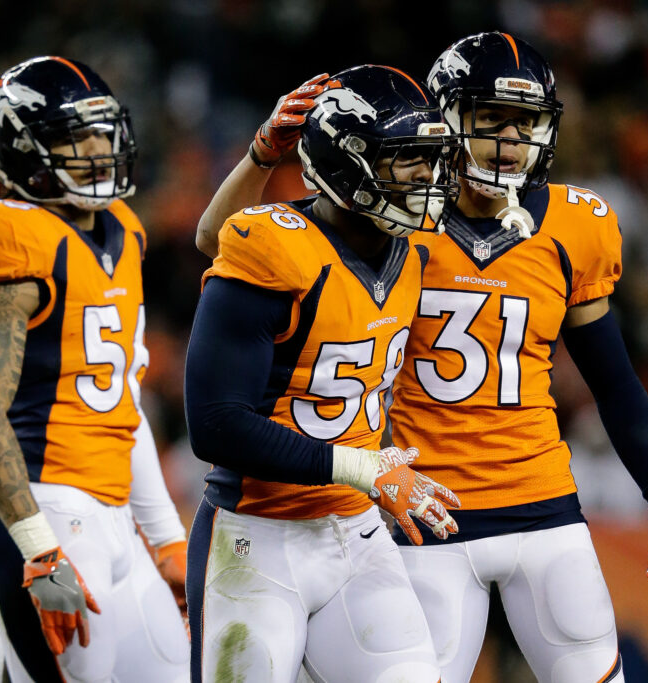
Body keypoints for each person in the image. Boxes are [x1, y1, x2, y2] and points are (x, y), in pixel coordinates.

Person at [194, 33, 648, 683]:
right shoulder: (396, 222)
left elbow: (617, 382)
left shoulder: (577, 226)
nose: (511, 141)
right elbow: (230, 241)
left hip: (542, 502)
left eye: (528, 124)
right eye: (491, 120)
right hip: (424, 508)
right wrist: (264, 154)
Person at [184, 64, 462, 683]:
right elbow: (216, 425)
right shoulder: (273, 243)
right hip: (256, 539)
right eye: (405, 159)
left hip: (359, 536)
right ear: (346, 165)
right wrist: (365, 467)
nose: (428, 177)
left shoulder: (415, 246)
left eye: (430, 158)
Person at [0, 56, 189, 683]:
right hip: (47, 510)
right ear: (25, 154)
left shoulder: (124, 232)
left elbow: (122, 405)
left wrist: (165, 535)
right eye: (71, 138)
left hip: (115, 518)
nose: (96, 150)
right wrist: (36, 545)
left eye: (100, 133)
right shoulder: (5, 234)